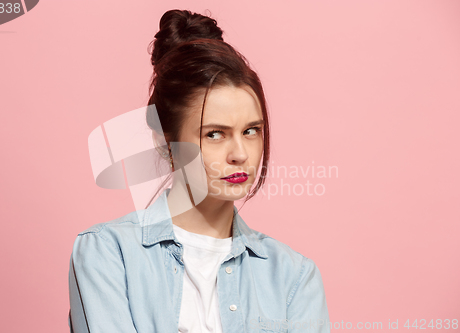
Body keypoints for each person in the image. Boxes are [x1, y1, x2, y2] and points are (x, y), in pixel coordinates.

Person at [68, 9, 330, 333]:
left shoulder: (293, 277)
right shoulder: (108, 254)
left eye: (251, 131)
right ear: (168, 141)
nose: (240, 154)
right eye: (215, 134)